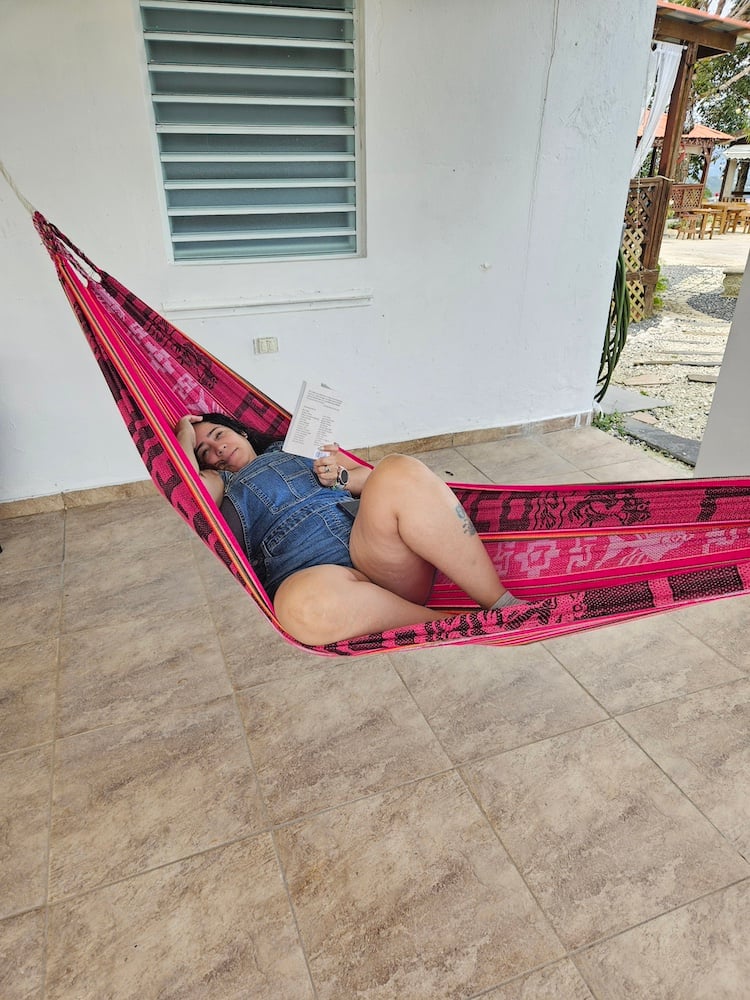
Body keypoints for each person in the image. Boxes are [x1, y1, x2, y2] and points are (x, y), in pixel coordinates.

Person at [175, 413, 518, 645]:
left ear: (243, 432)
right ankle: (456, 624)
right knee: (299, 608)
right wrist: (184, 437)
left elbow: (371, 479)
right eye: (204, 450)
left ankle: (503, 605)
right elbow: (188, 492)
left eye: (219, 435)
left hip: (371, 552)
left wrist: (339, 476)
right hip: (321, 583)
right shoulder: (219, 482)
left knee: (398, 469)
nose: (217, 448)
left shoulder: (295, 447)